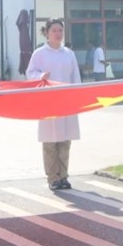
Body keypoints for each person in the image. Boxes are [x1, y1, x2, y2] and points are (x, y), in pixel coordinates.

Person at [26, 18, 81, 191]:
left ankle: (64, 176)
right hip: (48, 102)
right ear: (47, 33)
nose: (58, 34)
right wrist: (40, 76)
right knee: (50, 142)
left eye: (60, 30)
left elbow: (75, 77)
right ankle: (53, 178)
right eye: (54, 30)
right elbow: (30, 73)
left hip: (66, 101)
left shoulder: (68, 54)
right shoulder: (39, 53)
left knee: (65, 141)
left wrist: (78, 96)